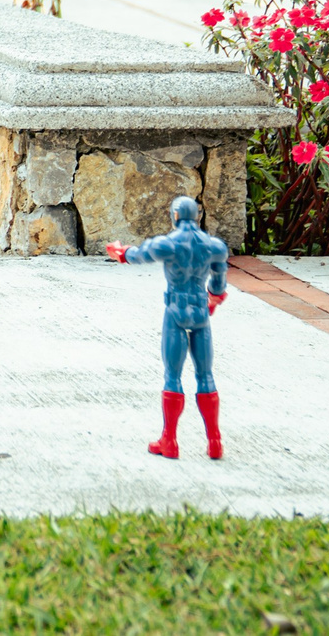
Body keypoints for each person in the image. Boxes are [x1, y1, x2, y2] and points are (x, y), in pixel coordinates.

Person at [108, 194, 228, 460]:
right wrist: (214, 297)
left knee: (173, 376)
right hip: (200, 311)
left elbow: (140, 254)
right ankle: (214, 441)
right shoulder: (214, 246)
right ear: (196, 216)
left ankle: (170, 441)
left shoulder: (168, 243)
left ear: (174, 216)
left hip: (176, 310)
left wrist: (122, 252)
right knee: (205, 375)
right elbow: (219, 282)